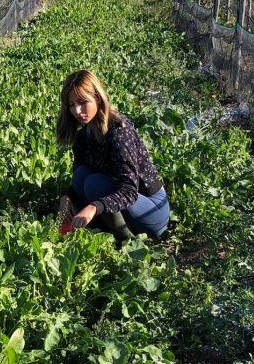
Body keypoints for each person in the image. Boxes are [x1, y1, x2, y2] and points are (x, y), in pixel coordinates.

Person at [56, 69, 170, 240]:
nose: (77, 111)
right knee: (81, 176)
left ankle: (125, 239)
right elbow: (77, 179)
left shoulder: (119, 133)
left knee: (94, 184)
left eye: (82, 102)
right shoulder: (83, 137)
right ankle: (103, 225)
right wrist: (66, 197)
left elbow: (130, 191)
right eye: (72, 105)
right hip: (122, 201)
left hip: (151, 209)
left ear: (97, 98)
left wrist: (95, 207)